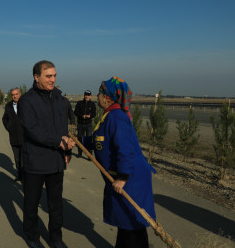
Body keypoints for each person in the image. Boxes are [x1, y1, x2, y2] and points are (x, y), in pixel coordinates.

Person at [86, 76, 156, 247]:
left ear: (108, 97)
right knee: (126, 224)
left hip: (131, 179)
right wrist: (77, 140)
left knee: (132, 223)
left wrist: (123, 177)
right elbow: (100, 141)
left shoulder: (116, 117)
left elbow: (126, 149)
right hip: (124, 177)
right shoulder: (109, 116)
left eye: (100, 93)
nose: (97, 96)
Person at [18, 60, 75, 248]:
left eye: (55, 75)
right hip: (35, 161)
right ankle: (31, 235)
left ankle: (56, 239)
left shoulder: (59, 98)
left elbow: (63, 127)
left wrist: (68, 149)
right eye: (48, 76)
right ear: (36, 77)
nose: (53, 79)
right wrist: (58, 142)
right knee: (32, 203)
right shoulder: (27, 100)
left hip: (56, 160)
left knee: (56, 204)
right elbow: (33, 130)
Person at [2, 87, 24, 182]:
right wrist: (9, 128)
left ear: (20, 94)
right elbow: (4, 119)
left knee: (25, 158)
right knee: (17, 158)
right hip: (14, 136)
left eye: (16, 94)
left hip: (25, 136)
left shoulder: (26, 104)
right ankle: (20, 176)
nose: (15, 96)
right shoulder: (8, 106)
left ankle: (27, 177)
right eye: (13, 95)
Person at [74, 90, 96, 158]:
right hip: (80, 124)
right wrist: (82, 116)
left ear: (90, 96)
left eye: (88, 95)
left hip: (88, 124)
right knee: (80, 139)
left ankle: (89, 155)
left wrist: (90, 116)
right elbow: (76, 112)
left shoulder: (92, 104)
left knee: (89, 139)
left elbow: (94, 113)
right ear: (84, 95)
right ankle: (79, 153)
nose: (87, 96)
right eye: (86, 95)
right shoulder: (79, 103)